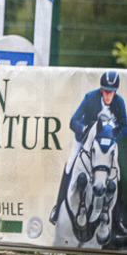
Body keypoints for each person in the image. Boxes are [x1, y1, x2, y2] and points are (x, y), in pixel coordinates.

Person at [49, 69, 127, 235]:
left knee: (117, 174)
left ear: (115, 92)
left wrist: (114, 137)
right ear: (101, 90)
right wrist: (84, 130)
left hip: (106, 144)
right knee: (70, 165)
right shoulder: (90, 98)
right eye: (106, 91)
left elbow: (125, 125)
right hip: (84, 141)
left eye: (111, 92)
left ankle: (118, 219)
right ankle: (58, 206)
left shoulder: (119, 102)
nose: (108, 96)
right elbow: (73, 121)